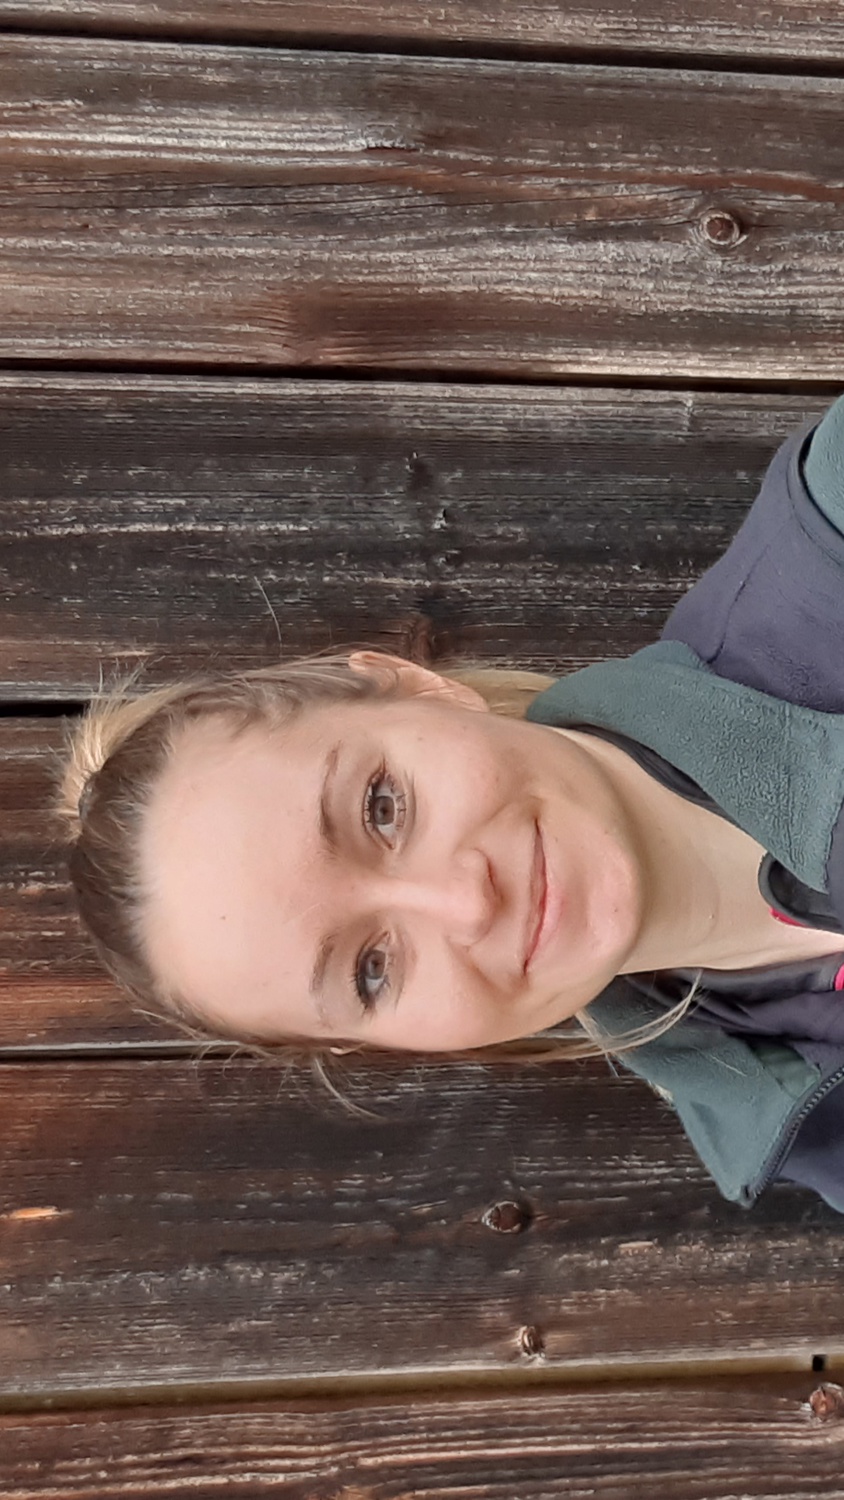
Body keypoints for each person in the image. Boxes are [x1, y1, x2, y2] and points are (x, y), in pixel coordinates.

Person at [59, 395, 844, 1212]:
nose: (466, 901)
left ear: (411, 687)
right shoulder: (801, 1126)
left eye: (382, 809)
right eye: (370, 971)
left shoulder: (832, 532)